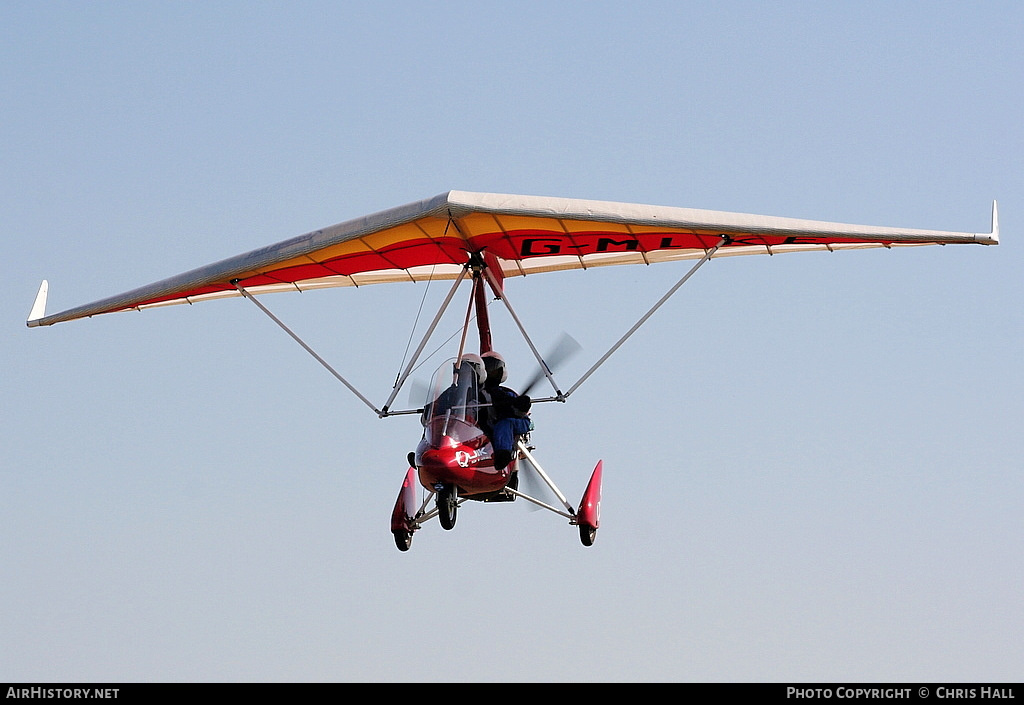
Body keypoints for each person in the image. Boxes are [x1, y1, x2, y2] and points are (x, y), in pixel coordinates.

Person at [480, 351, 533, 471]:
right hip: (489, 427)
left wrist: (520, 405)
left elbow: (518, 412)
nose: (490, 373)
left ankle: (503, 455)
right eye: (487, 369)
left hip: (517, 423)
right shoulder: (474, 394)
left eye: (494, 370)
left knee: (504, 424)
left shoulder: (504, 393)